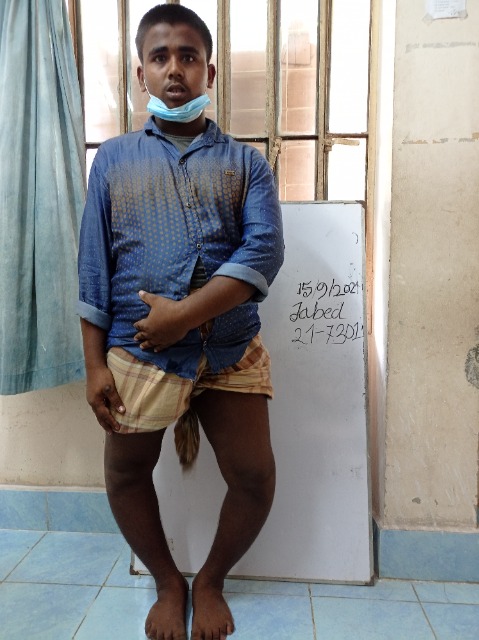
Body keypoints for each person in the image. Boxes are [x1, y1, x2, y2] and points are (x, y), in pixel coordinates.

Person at [77, 4, 284, 639]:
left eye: (188, 57)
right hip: (139, 352)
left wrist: (184, 317)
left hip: (230, 349)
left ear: (209, 72)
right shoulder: (113, 160)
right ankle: (169, 582)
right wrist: (92, 366)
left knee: (254, 476)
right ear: (141, 72)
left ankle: (211, 580)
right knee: (125, 473)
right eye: (160, 57)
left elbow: (263, 252)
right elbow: (94, 268)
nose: (175, 69)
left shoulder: (247, 163)